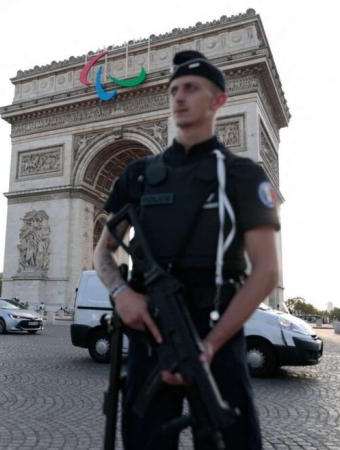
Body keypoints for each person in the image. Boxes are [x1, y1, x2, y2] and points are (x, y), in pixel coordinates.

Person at [93, 50, 280, 449]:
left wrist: (210, 345)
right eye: (174, 89)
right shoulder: (137, 176)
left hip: (219, 336)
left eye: (191, 88)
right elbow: (103, 252)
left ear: (219, 101)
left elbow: (266, 271)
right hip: (150, 334)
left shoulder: (246, 177)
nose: (179, 97)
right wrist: (121, 293)